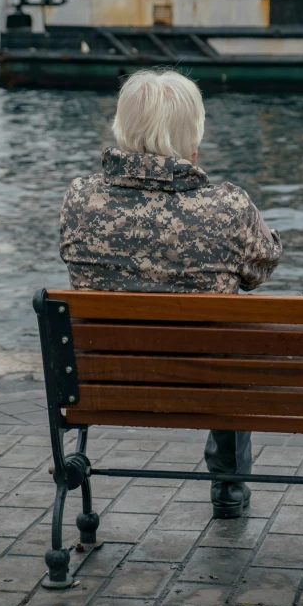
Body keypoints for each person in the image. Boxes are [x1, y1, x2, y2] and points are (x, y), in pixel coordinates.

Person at [60, 69, 282, 519]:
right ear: (193, 135)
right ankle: (229, 488)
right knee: (232, 341)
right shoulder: (229, 205)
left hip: (105, 384)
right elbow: (262, 266)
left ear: (123, 128)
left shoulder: (80, 198)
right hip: (206, 382)